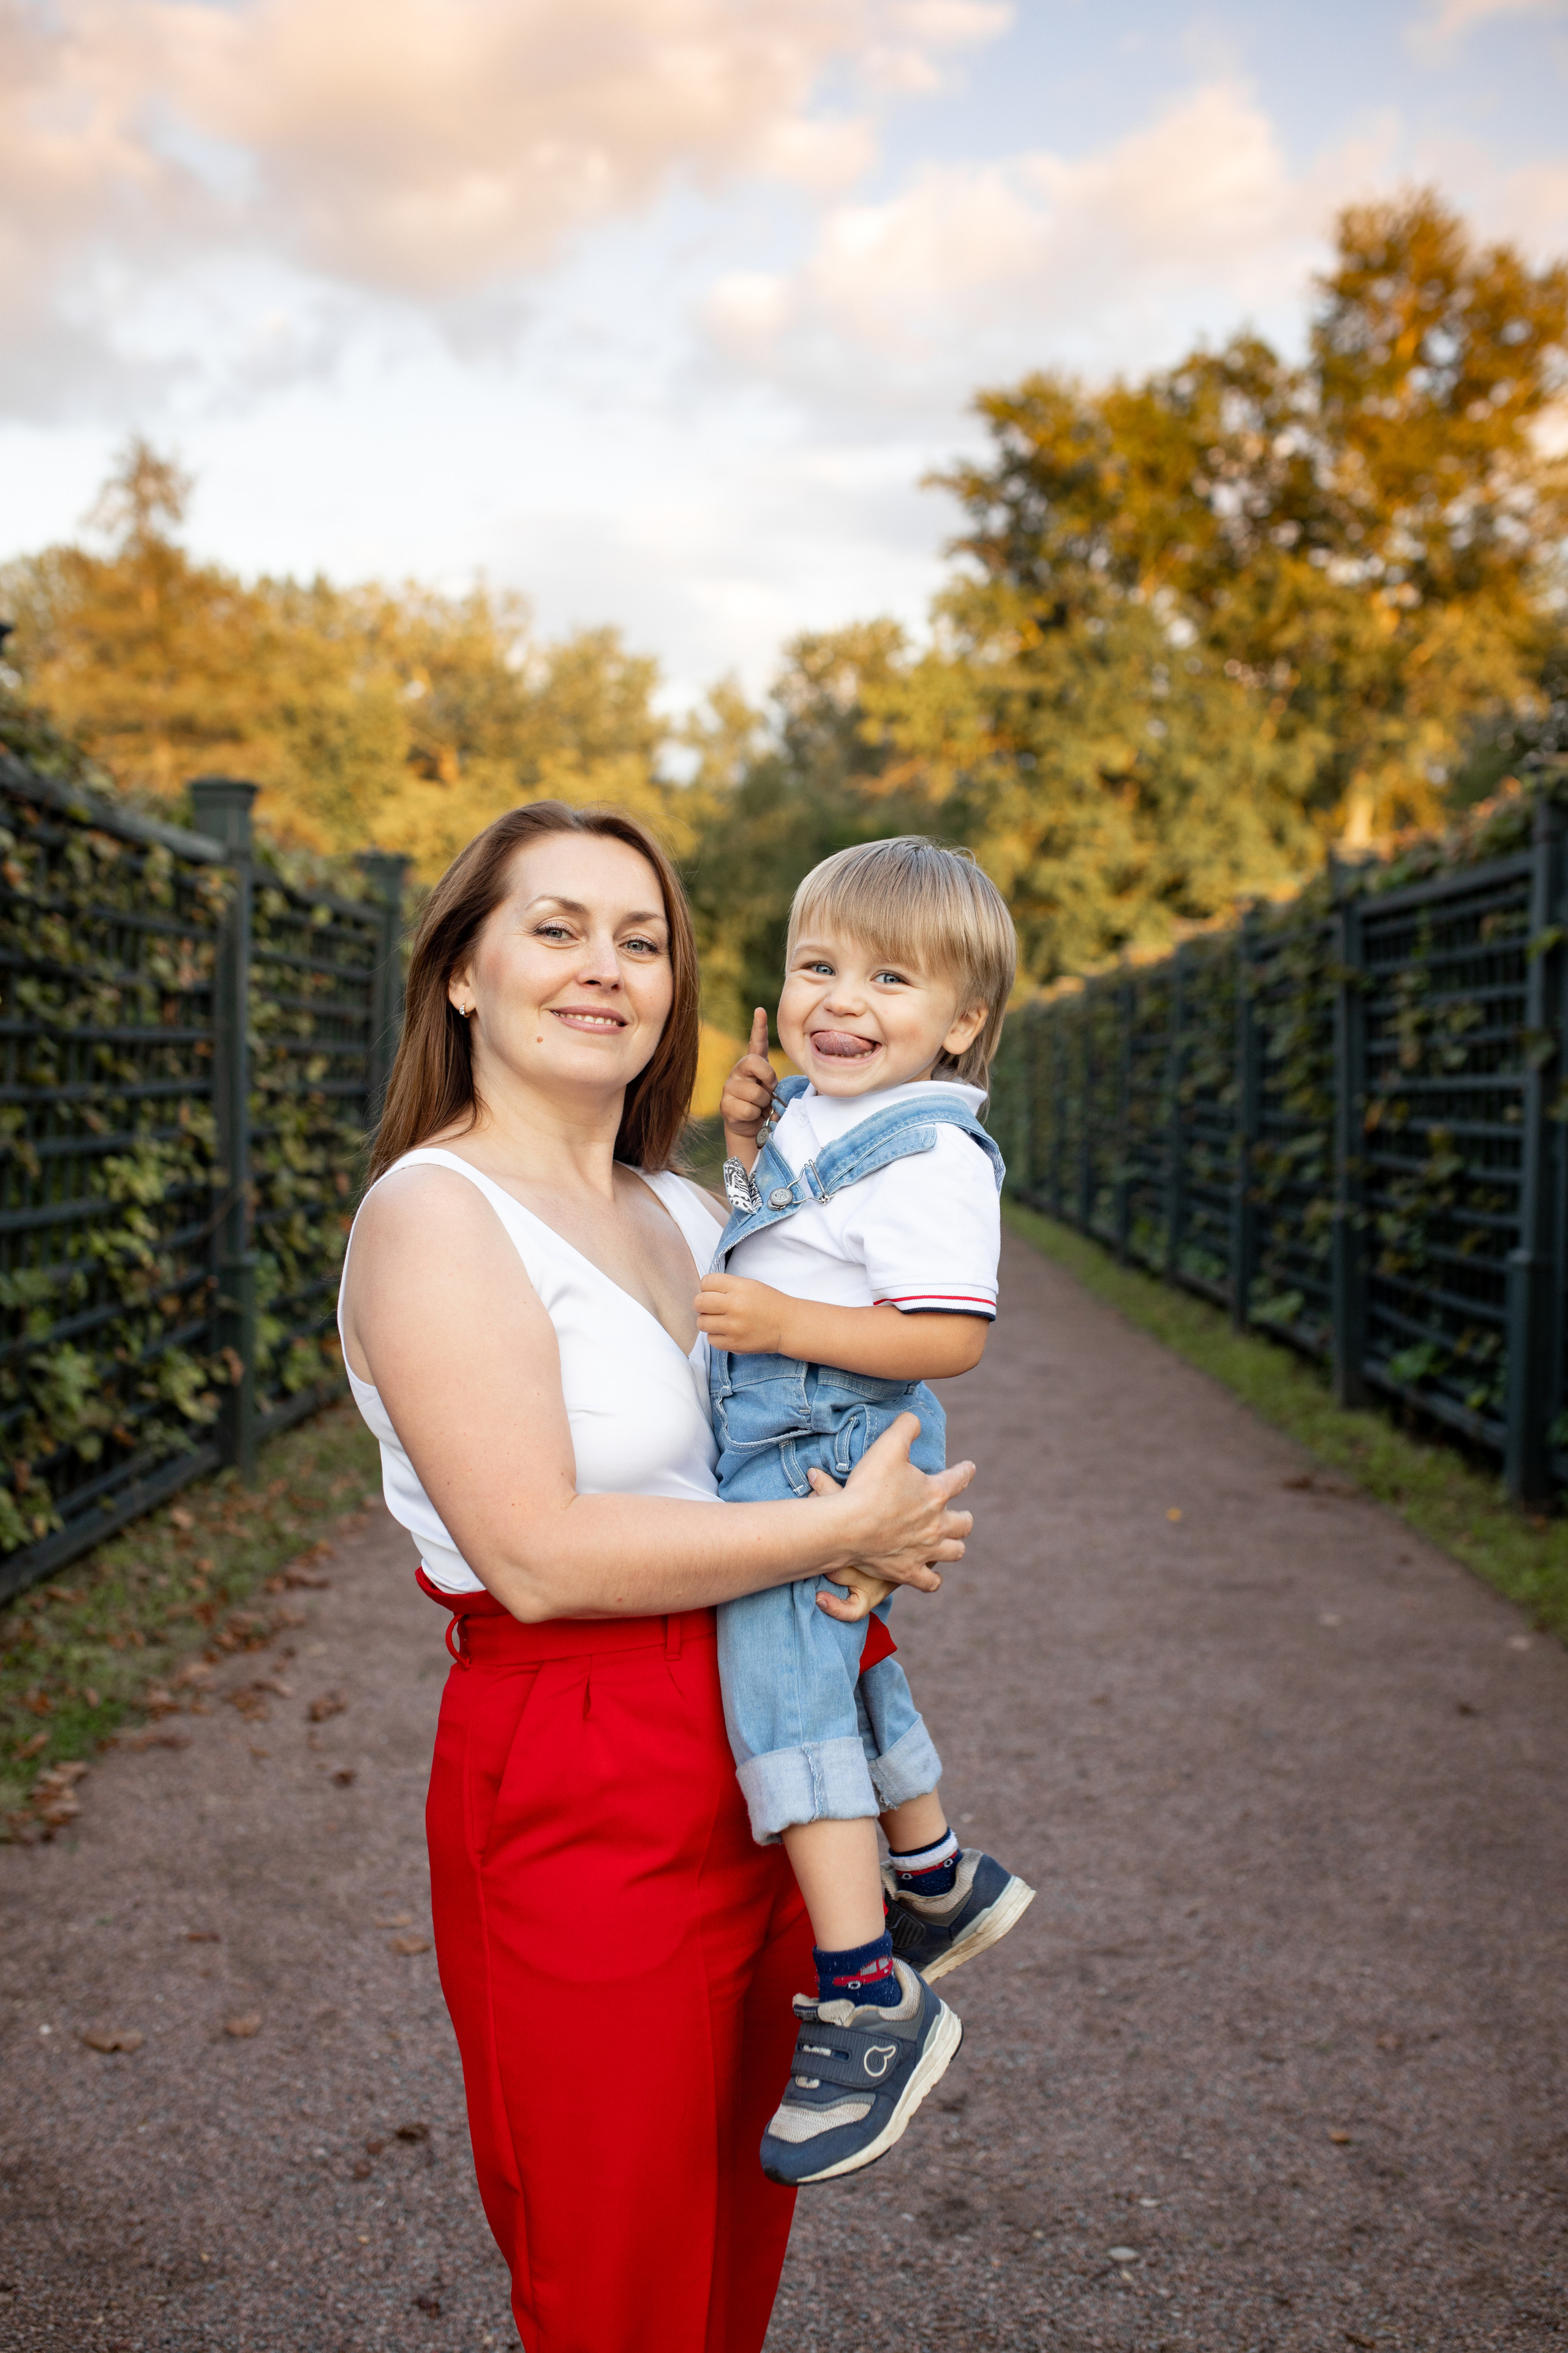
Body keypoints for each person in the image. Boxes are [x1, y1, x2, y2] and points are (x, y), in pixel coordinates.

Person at [334, 801, 976, 2353]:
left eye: (641, 940)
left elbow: (855, 1364)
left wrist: (880, 1520)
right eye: (555, 928)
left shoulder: (695, 1209)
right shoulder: (432, 1213)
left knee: (730, 2252)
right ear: (463, 972)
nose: (603, 967)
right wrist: (844, 1532)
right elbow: (537, 1555)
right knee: (614, 2273)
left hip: (768, 1748)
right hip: (581, 1759)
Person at [694, 837, 1034, 2188]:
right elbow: (785, 1232)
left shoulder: (932, 1152)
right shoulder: (827, 1117)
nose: (839, 999)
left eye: (889, 979)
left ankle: (867, 1993)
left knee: (782, 1695)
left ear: (960, 1020)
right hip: (787, 1431)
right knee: (825, 1660)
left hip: (818, 1443)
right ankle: (936, 1871)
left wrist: (784, 1322)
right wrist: (744, 1149)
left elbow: (949, 1336)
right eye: (816, 965)